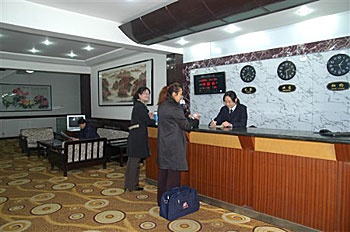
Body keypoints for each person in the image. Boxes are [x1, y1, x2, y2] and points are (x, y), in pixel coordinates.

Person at [156, 82, 200, 206]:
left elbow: (175, 121)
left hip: (164, 145)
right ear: (174, 94)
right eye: (180, 94)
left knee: (163, 175)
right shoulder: (175, 108)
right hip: (174, 147)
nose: (182, 96)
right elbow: (187, 126)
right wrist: (195, 120)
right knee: (174, 177)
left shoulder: (162, 106)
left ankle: (162, 201)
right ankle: (171, 203)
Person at [124, 87, 155, 192]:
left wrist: (148, 117)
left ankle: (129, 184)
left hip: (135, 137)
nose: (147, 95)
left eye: (148, 94)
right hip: (137, 138)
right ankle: (132, 186)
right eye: (145, 94)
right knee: (135, 162)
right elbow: (148, 122)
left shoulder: (139, 106)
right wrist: (151, 118)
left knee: (132, 161)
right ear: (139, 95)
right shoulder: (140, 107)